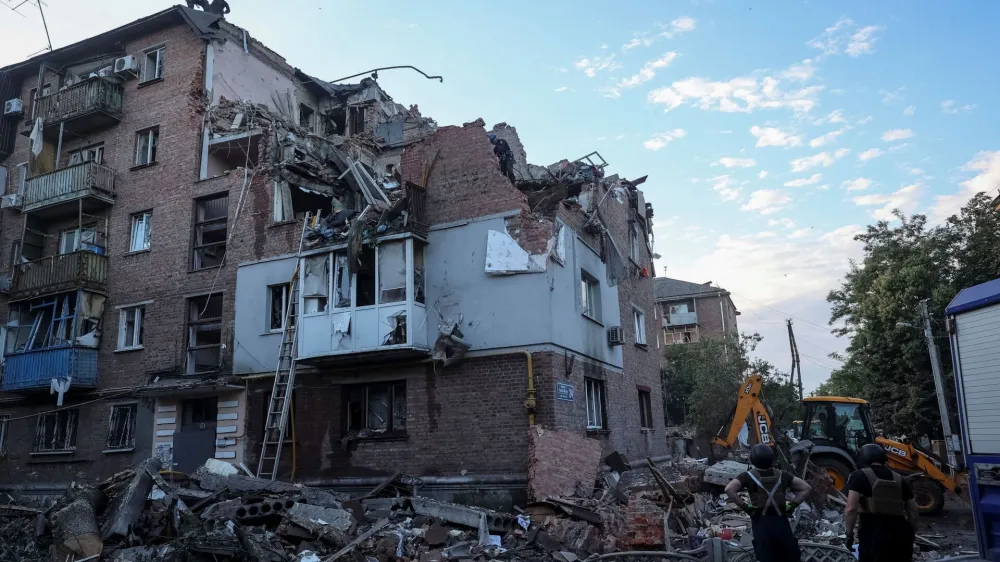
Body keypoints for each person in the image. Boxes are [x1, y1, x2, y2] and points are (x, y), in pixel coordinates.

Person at [725, 444, 812, 562]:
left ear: (752, 459)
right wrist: (792, 505)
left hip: (761, 523)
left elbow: (729, 489)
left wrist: (746, 507)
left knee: (766, 556)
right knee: (789, 556)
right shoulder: (783, 475)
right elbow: (806, 488)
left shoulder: (747, 476)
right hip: (781, 521)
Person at [844, 443, 919, 562]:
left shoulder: (858, 476)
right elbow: (913, 511)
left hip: (873, 534)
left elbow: (851, 509)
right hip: (901, 534)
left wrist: (849, 535)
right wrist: (911, 533)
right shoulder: (900, 478)